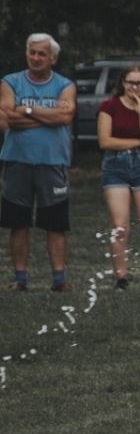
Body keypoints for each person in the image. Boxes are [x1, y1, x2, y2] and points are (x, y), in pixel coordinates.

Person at [1, 33, 77, 292]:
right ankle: (20, 279)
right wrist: (49, 116)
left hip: (53, 162)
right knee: (18, 221)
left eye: (42, 54)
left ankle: (59, 279)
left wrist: (28, 110)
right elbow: (7, 117)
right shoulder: (10, 82)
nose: (36, 58)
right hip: (17, 160)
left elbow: (65, 117)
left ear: (53, 58)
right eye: (32, 52)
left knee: (55, 222)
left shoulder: (65, 85)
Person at [96, 64, 140, 289]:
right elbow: (105, 141)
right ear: (123, 83)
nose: (135, 87)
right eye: (131, 82)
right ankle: (121, 278)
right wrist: (139, 143)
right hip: (115, 165)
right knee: (120, 225)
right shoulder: (109, 107)